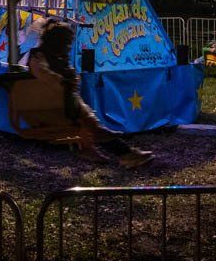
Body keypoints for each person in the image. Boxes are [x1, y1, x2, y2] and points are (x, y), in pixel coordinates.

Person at [28, 21, 154, 168]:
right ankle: (124, 153)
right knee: (91, 125)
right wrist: (63, 81)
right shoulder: (39, 56)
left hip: (64, 104)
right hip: (51, 106)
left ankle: (91, 147)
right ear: (56, 41)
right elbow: (44, 75)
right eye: (66, 43)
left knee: (87, 121)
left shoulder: (59, 58)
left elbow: (70, 80)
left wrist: (69, 79)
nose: (69, 47)